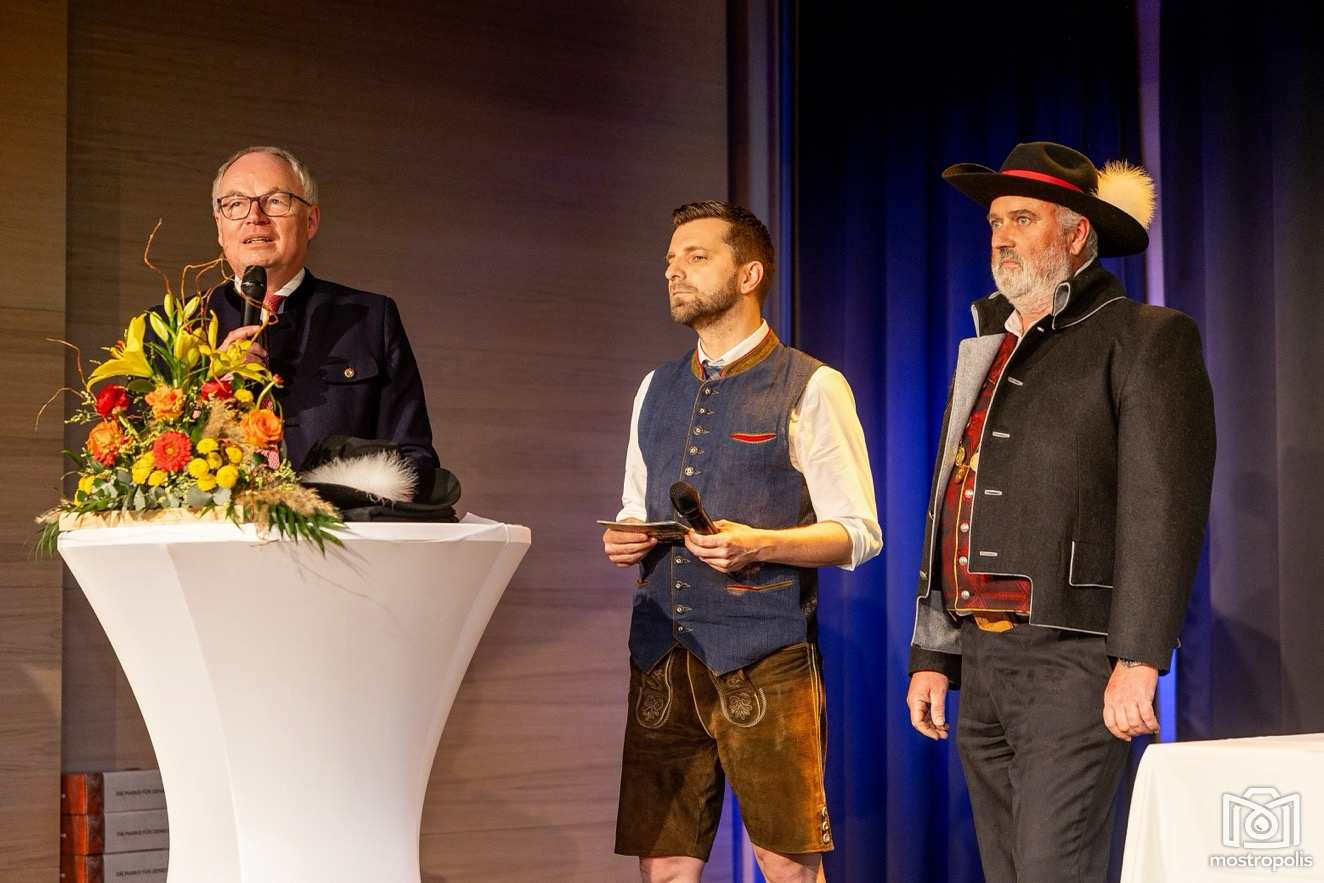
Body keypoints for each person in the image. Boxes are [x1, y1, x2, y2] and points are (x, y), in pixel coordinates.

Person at [905, 142, 1216, 881]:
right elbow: (952, 496)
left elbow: (1164, 508)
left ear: (1076, 234)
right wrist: (934, 652)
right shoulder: (987, 344)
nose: (1001, 237)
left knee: (1055, 869)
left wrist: (1138, 659)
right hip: (982, 659)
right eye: (994, 222)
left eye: (1022, 219)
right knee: (1008, 870)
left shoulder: (1144, 337)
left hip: (1071, 658)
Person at [603, 202, 881, 883]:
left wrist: (760, 544)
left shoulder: (811, 385)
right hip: (662, 652)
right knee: (664, 865)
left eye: (696, 256)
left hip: (766, 654)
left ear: (749, 273)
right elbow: (635, 505)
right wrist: (627, 536)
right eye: (671, 259)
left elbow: (858, 533)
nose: (674, 270)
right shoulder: (655, 388)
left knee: (786, 865)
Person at [207, 145, 437, 471]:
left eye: (275, 201)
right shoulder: (174, 328)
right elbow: (141, 466)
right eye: (235, 204)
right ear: (220, 228)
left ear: (311, 221)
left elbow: (414, 459)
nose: (254, 217)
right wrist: (213, 393)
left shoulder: (371, 320)